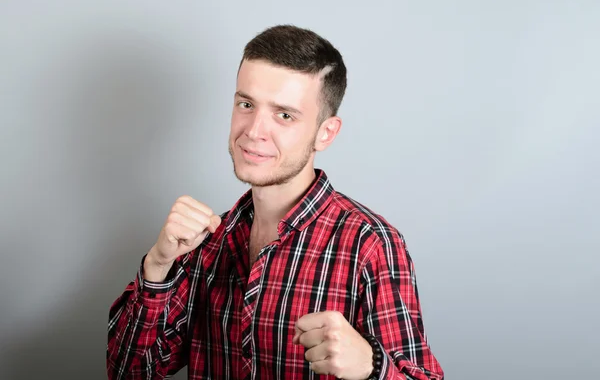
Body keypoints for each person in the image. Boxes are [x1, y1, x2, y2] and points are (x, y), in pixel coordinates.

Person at [107, 24, 444, 380]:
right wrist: (158, 266)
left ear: (325, 133)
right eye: (246, 104)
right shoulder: (203, 243)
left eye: (284, 115)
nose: (254, 130)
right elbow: (128, 372)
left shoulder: (370, 245)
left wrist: (372, 367)